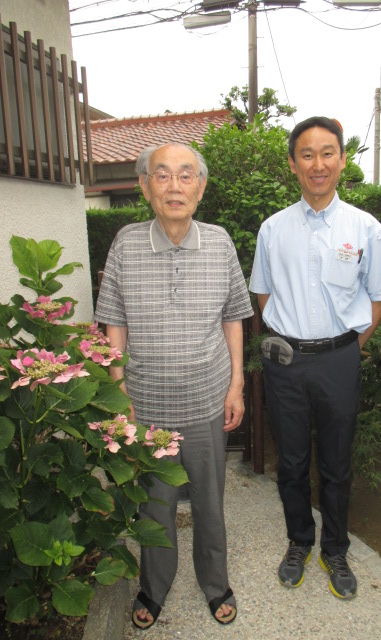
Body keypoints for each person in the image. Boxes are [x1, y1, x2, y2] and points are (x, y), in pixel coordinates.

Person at [95, 142, 253, 628]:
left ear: (200, 188)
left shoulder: (220, 242)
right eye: (162, 175)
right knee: (155, 506)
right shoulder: (125, 243)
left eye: (186, 175)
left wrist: (236, 385)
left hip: (208, 400)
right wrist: (119, 392)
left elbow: (233, 318)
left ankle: (215, 583)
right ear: (145, 187)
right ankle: (154, 587)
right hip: (147, 408)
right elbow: (115, 322)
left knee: (209, 503)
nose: (174, 186)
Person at [249, 116, 381, 600]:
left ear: (342, 160)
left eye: (327, 153)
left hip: (340, 359)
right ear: (293, 164)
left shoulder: (365, 228)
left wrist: (351, 346)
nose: (318, 164)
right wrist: (290, 336)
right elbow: (263, 294)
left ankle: (335, 548)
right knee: (292, 462)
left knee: (337, 463)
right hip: (286, 363)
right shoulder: (273, 229)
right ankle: (299, 541)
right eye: (307, 154)